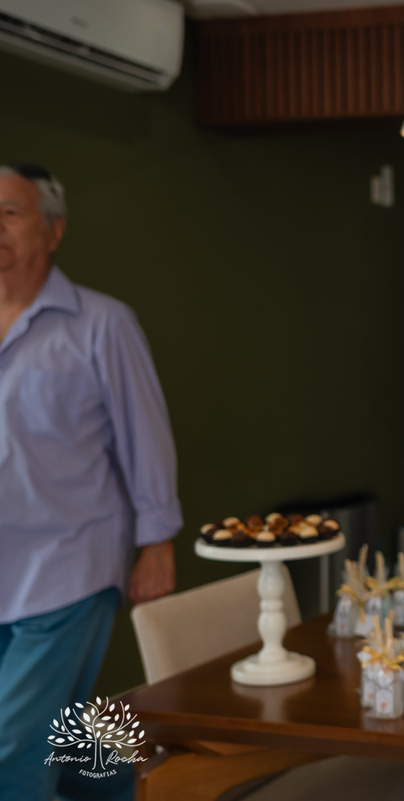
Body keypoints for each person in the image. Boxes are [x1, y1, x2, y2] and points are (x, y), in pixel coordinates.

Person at [0, 163, 182, 801]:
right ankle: (138, 792)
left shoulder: (104, 324)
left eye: (11, 213)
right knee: (70, 737)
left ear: (54, 231)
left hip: (68, 566)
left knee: (8, 752)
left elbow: (146, 436)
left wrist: (157, 542)